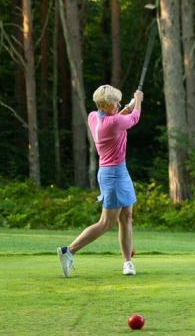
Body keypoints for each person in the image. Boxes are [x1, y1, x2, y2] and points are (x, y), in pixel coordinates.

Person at [58, 84, 143, 277]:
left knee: (126, 216)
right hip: (112, 174)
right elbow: (133, 118)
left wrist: (124, 109)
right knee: (106, 223)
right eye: (115, 102)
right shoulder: (113, 123)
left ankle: (127, 262)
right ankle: (68, 251)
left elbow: (117, 118)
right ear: (104, 104)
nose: (119, 104)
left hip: (120, 171)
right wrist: (137, 100)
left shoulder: (93, 117)